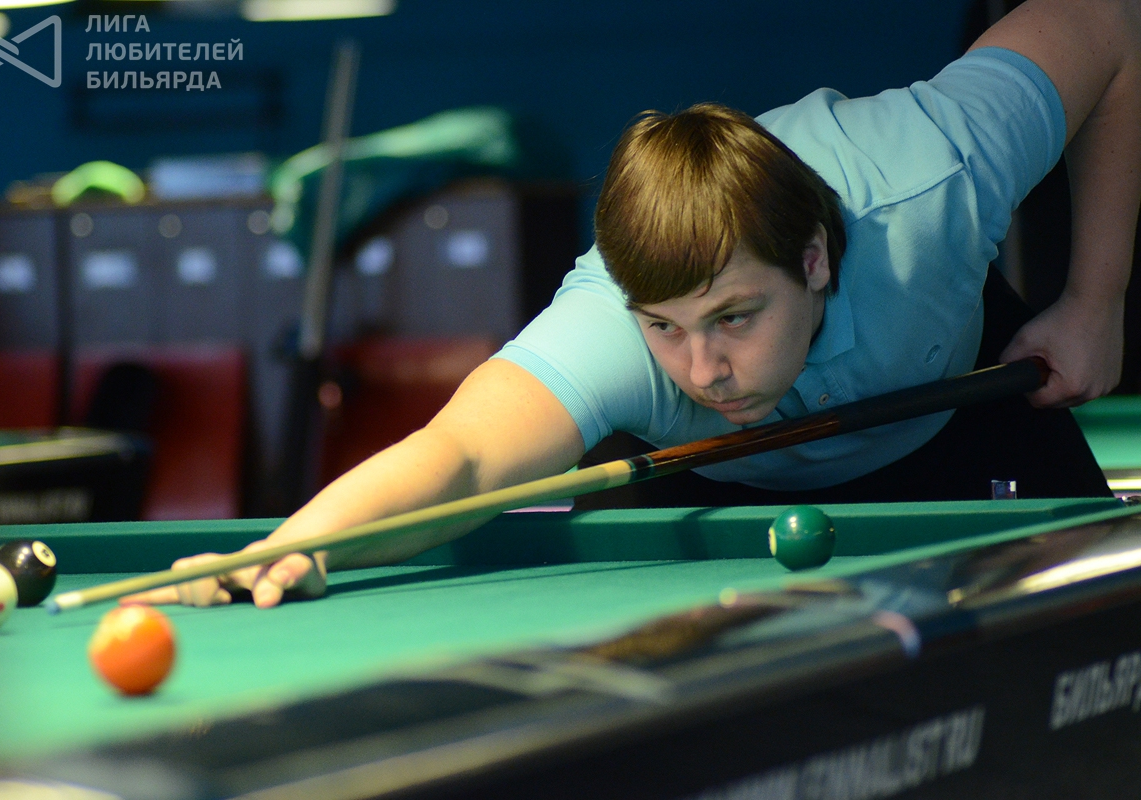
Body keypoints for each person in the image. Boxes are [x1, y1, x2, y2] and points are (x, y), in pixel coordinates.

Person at [131, 0, 1141, 609]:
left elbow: (1108, 21)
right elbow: (461, 456)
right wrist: (290, 546)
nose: (702, 372)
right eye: (666, 328)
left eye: (735, 317)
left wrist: (1095, 299)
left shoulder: (929, 176)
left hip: (960, 412)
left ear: (814, 261)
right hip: (722, 496)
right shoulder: (610, 325)